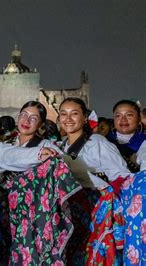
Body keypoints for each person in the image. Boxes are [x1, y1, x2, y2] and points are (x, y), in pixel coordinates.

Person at [0, 104, 75, 264]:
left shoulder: (47, 147)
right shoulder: (7, 143)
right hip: (6, 210)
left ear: (41, 125)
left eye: (34, 118)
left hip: (33, 213)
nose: (26, 120)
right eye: (24, 115)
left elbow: (61, 172)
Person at [58, 97, 131, 264]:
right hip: (73, 210)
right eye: (63, 114)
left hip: (98, 208)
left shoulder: (97, 142)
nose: (68, 119)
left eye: (74, 114)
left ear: (85, 118)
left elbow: (122, 177)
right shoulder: (60, 147)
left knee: (96, 254)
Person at [106, 99, 145, 172]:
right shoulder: (104, 141)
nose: (123, 119)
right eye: (118, 116)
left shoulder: (143, 141)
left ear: (139, 118)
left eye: (129, 115)